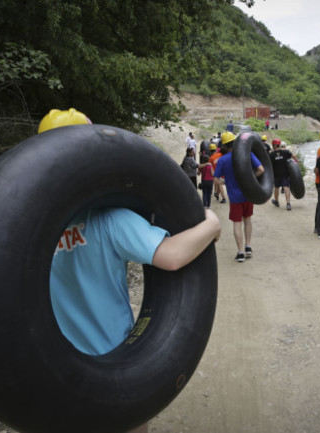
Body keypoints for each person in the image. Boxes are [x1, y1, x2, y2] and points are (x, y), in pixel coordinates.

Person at [41, 109, 221, 433]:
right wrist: (211, 224)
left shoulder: (32, 231)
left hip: (56, 368)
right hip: (117, 361)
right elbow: (173, 256)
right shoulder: (109, 219)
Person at [213, 132, 265, 263]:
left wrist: (226, 182)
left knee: (237, 223)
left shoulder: (222, 160)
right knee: (247, 220)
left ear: (224, 145)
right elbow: (261, 169)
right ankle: (248, 246)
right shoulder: (247, 154)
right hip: (248, 194)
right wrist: (251, 179)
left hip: (234, 197)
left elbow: (216, 179)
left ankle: (240, 252)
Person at [269, 138, 297, 211]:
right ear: (279, 144)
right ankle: (288, 204)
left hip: (276, 174)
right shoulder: (285, 152)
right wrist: (296, 163)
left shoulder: (271, 154)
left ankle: (277, 201)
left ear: (274, 145)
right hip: (285, 173)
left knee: (277, 187)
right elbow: (293, 155)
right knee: (286, 187)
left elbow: (268, 164)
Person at [209, 133, 230, 204]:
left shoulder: (211, 158)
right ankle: (217, 194)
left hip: (218, 174)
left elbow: (210, 168)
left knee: (219, 185)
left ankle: (223, 198)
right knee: (219, 186)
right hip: (225, 172)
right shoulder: (220, 154)